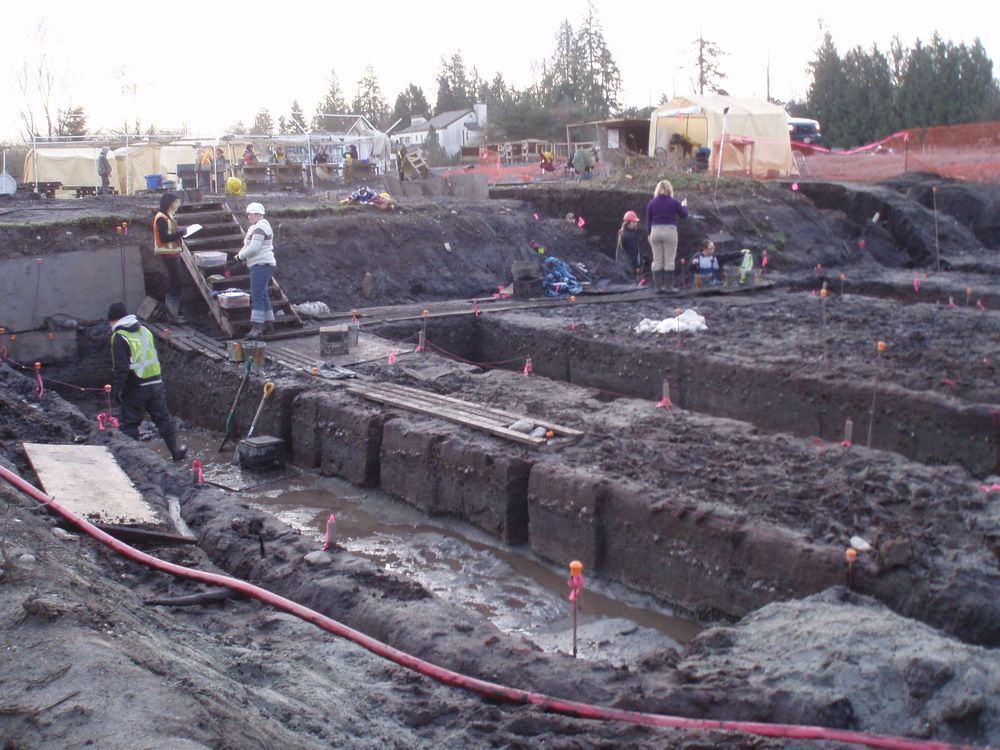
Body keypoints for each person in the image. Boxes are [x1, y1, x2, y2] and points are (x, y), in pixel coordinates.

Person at [107, 302, 187, 461]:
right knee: (163, 418)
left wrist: (118, 392)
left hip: (135, 386)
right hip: (155, 383)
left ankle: (135, 460)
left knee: (129, 424)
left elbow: (121, 369)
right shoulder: (145, 330)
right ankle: (175, 451)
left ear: (114, 320)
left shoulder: (119, 337)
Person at [237, 202, 276, 339]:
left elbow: (254, 247)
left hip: (261, 264)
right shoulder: (255, 227)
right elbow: (248, 245)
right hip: (261, 264)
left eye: (250, 214)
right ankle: (269, 323)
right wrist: (238, 257)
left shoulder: (261, 227)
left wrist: (240, 257)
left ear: (258, 214)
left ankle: (257, 327)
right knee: (263, 294)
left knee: (256, 295)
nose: (248, 216)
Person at [645, 179, 689, 293]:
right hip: (670, 231)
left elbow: (648, 221)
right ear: (670, 189)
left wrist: (649, 233)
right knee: (669, 260)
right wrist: (684, 206)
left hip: (655, 231)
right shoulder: (674, 202)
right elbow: (684, 215)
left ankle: (658, 287)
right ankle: (669, 288)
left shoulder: (652, 203)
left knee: (657, 259)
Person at [152, 192, 187, 323]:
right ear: (169, 203)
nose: (177, 206)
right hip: (168, 254)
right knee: (174, 283)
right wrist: (180, 234)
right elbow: (164, 238)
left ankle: (173, 313)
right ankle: (172, 315)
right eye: (175, 203)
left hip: (173, 253)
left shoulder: (168, 217)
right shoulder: (161, 218)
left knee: (176, 282)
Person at [615, 210, 645, 283]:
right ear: (628, 223)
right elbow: (633, 253)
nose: (636, 224)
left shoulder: (621, 233)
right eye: (634, 222)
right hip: (628, 268)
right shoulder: (630, 236)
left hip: (620, 266)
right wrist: (637, 267)